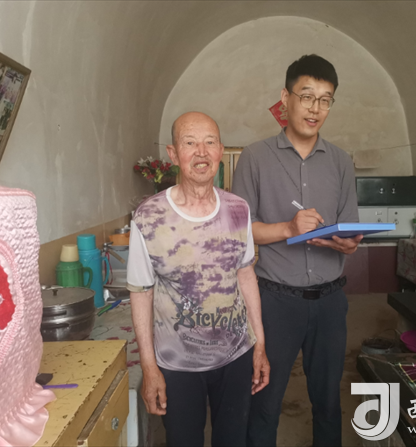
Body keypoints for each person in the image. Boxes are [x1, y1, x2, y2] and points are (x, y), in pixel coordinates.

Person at [232, 54, 361, 447]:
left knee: (328, 402)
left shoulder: (340, 161)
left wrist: (347, 243)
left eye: (325, 100)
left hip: (330, 301)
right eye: (306, 96)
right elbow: (240, 232)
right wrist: (288, 229)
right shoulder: (255, 157)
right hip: (275, 301)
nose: (315, 108)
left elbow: (349, 227)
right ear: (285, 98)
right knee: (264, 402)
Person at [127, 111, 270, 447]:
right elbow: (141, 292)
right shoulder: (148, 216)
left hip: (235, 355)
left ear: (220, 150)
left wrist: (260, 344)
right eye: (190, 143)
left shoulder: (239, 210)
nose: (201, 152)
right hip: (177, 363)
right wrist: (149, 367)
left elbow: (245, 274)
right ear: (173, 153)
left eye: (210, 142)